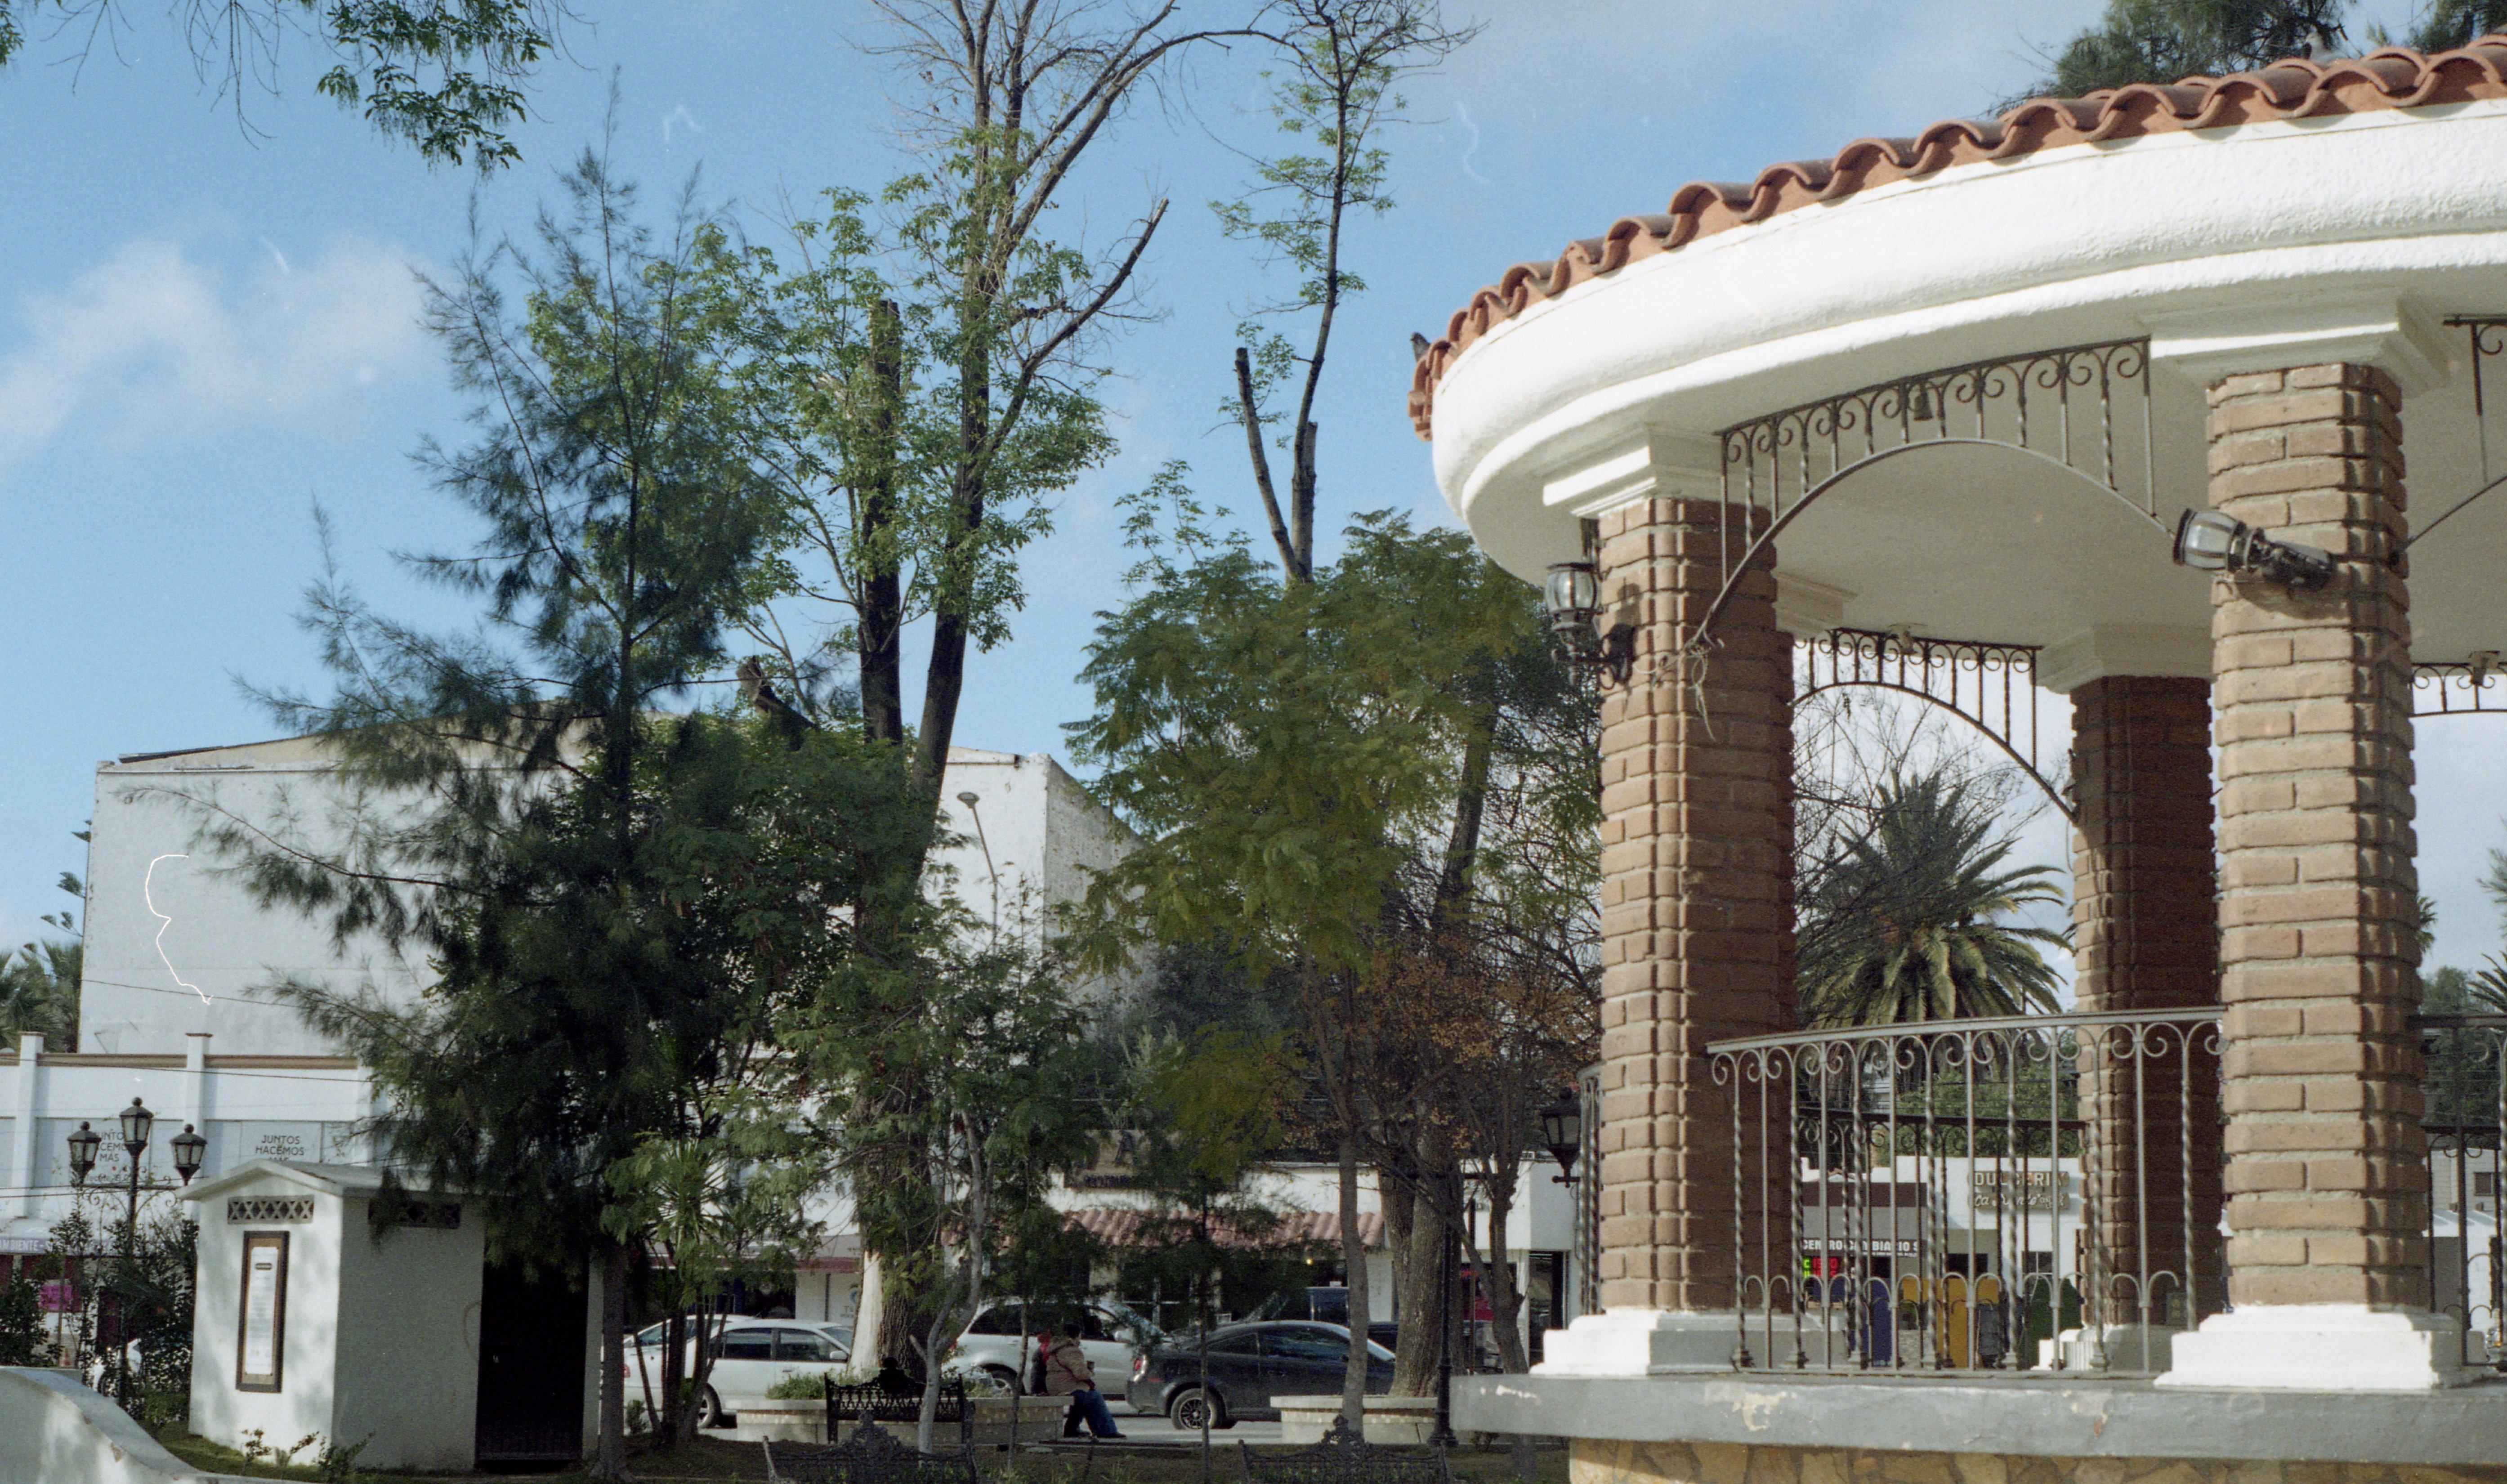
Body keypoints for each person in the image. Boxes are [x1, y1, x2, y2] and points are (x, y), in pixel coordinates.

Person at [1041, 1322, 1122, 1440]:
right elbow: (1081, 1374)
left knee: (1081, 1398)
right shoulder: (1071, 1350)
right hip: (1067, 1388)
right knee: (1093, 1396)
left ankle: (1072, 1429)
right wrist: (1090, 1372)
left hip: (1057, 1386)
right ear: (1076, 1335)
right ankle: (1106, 1430)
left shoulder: (1057, 1348)